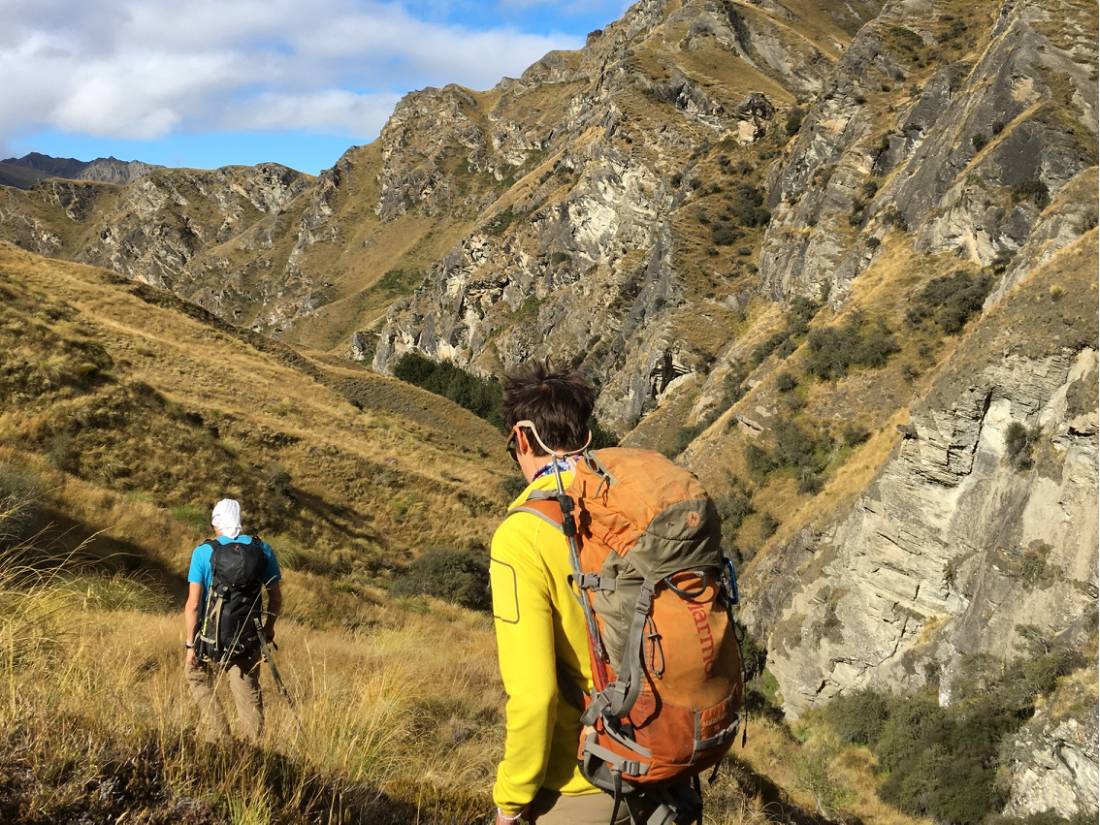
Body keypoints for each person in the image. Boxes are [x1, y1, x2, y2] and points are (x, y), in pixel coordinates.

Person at [489, 363, 630, 825]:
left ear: (523, 438)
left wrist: (511, 799)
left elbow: (535, 695)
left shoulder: (523, 535)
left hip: (583, 782)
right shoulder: (626, 504)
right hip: (663, 764)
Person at [183, 498, 282, 744]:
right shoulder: (262, 549)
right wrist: (268, 631)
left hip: (208, 639)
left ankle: (219, 735)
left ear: (216, 521)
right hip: (247, 639)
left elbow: (193, 604)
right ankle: (252, 751)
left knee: (195, 675)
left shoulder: (203, 552)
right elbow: (276, 598)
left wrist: (189, 645)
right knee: (248, 693)